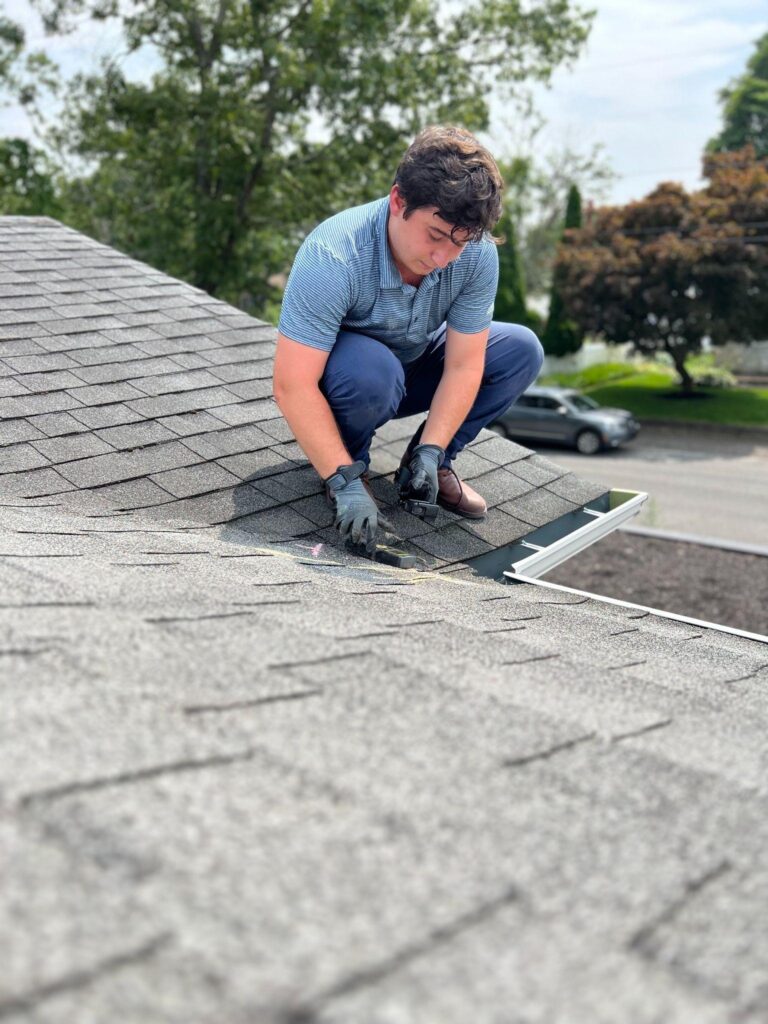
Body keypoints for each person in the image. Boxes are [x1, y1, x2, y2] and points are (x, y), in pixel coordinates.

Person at [273, 125, 544, 552]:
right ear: (399, 200)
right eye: (435, 236)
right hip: (354, 380)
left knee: (521, 349)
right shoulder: (334, 254)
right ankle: (348, 466)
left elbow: (463, 365)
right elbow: (292, 385)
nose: (443, 258)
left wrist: (432, 447)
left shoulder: (475, 253)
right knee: (373, 373)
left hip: (415, 364)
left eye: (459, 243)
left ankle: (425, 467)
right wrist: (342, 479)